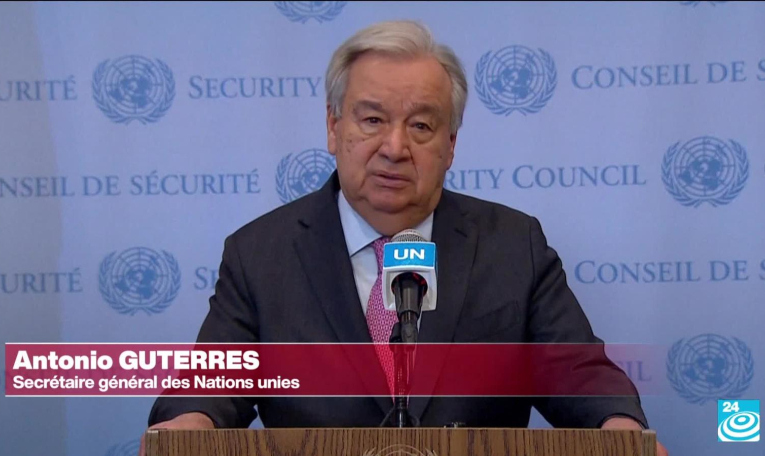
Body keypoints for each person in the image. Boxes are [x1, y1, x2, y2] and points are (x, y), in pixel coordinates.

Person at [140, 20, 667, 456]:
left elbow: (576, 370)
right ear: (333, 127)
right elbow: (211, 380)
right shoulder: (262, 254)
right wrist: (189, 424)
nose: (394, 147)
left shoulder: (512, 246)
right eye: (372, 119)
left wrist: (618, 426)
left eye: (420, 127)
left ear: (451, 144)